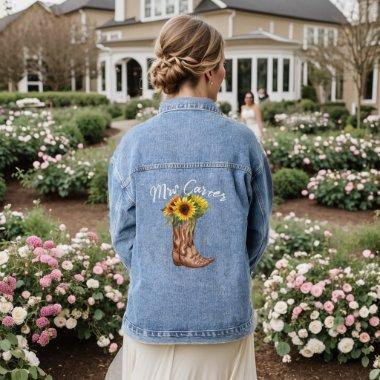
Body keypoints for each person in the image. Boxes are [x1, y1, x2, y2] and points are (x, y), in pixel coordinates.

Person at [106, 14, 273, 380]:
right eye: (224, 66)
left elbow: (123, 236)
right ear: (211, 72)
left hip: (153, 313)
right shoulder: (242, 143)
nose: (224, 74)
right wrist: (227, 270)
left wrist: (158, 273)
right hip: (223, 315)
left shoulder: (133, 144)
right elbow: (257, 235)